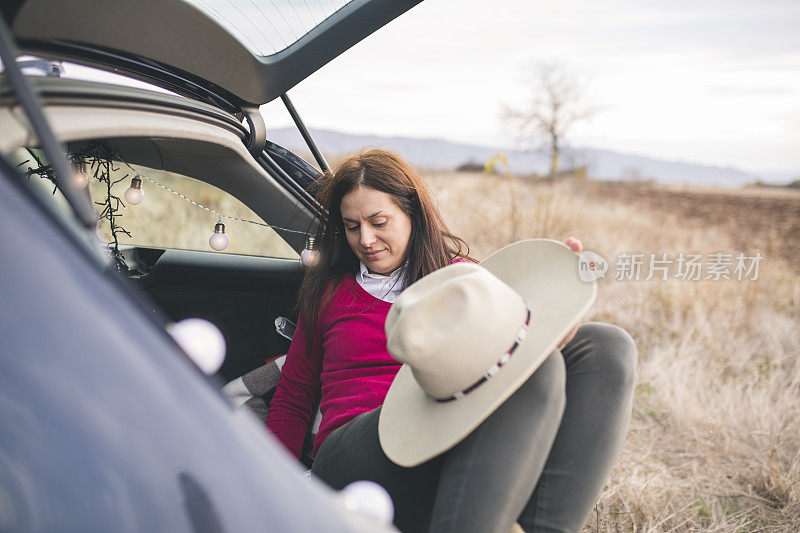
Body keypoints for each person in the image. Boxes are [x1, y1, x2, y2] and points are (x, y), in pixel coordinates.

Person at [265, 149, 637, 533]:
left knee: (606, 347)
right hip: (358, 450)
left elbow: (509, 357)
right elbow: (294, 396)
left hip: (451, 432)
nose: (366, 239)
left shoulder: (464, 283)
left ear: (413, 214)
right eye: (352, 226)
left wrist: (556, 320)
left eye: (379, 222)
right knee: (540, 376)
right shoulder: (330, 294)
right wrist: (271, 488)